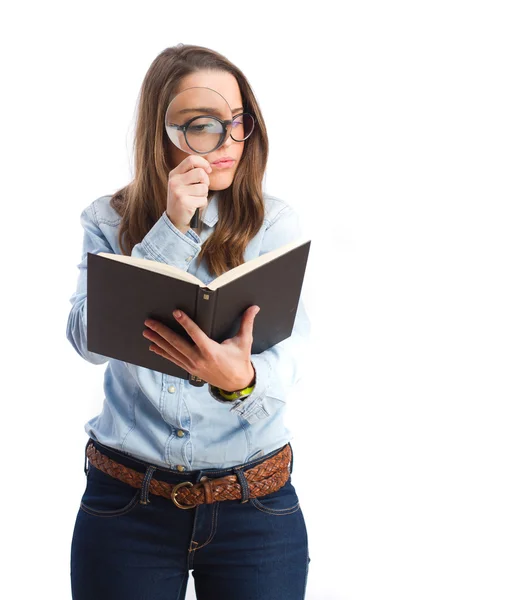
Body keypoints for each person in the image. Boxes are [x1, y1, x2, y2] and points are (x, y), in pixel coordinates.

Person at [67, 44, 311, 600]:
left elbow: (294, 361)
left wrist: (240, 381)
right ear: (164, 133)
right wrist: (171, 230)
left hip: (255, 504)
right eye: (202, 125)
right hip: (127, 505)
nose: (226, 142)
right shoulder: (109, 220)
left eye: (237, 122)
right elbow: (88, 341)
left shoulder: (274, 224)